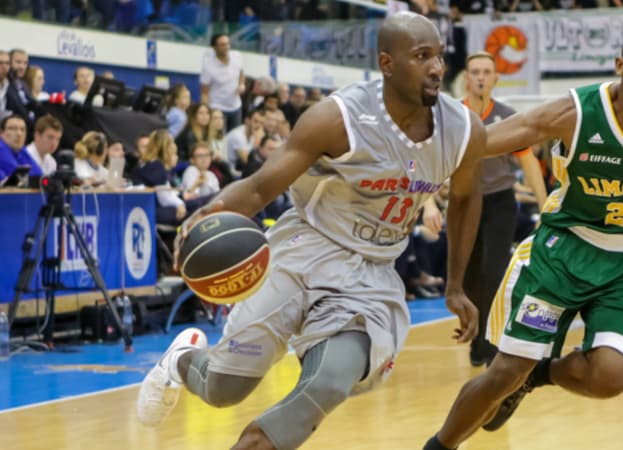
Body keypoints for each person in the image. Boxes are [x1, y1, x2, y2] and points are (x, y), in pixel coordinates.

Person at [137, 11, 486, 450]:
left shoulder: (463, 130)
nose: (437, 67)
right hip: (304, 250)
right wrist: (208, 210)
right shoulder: (337, 118)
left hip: (371, 273)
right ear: (387, 63)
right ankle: (182, 359)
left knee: (330, 380)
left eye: (439, 56)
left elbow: (469, 196)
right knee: (224, 389)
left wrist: (456, 285)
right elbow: (263, 185)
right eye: (422, 56)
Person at [423, 21, 623, 450]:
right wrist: (429, 153)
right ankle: (440, 444)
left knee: (612, 376)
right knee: (504, 372)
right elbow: (506, 134)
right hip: (562, 253)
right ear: (620, 66)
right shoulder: (577, 112)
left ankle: (540, 375)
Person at [457, 51, 549, 366]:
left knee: (493, 272)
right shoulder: (453, 115)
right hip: (463, 203)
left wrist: (545, 205)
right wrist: (426, 201)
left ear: (495, 78)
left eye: (486, 72)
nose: (480, 77)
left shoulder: (509, 117)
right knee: (468, 278)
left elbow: (529, 162)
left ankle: (489, 343)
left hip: (499, 201)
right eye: (475, 72)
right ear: (466, 78)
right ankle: (478, 333)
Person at [200, 33, 245, 131]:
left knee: (235, 136)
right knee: (220, 138)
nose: (226, 47)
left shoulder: (237, 56)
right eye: (222, 45)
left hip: (236, 107)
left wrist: (241, 85)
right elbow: (204, 92)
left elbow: (241, 73)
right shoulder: (208, 67)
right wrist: (207, 112)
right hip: (217, 108)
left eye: (228, 44)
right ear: (214, 47)